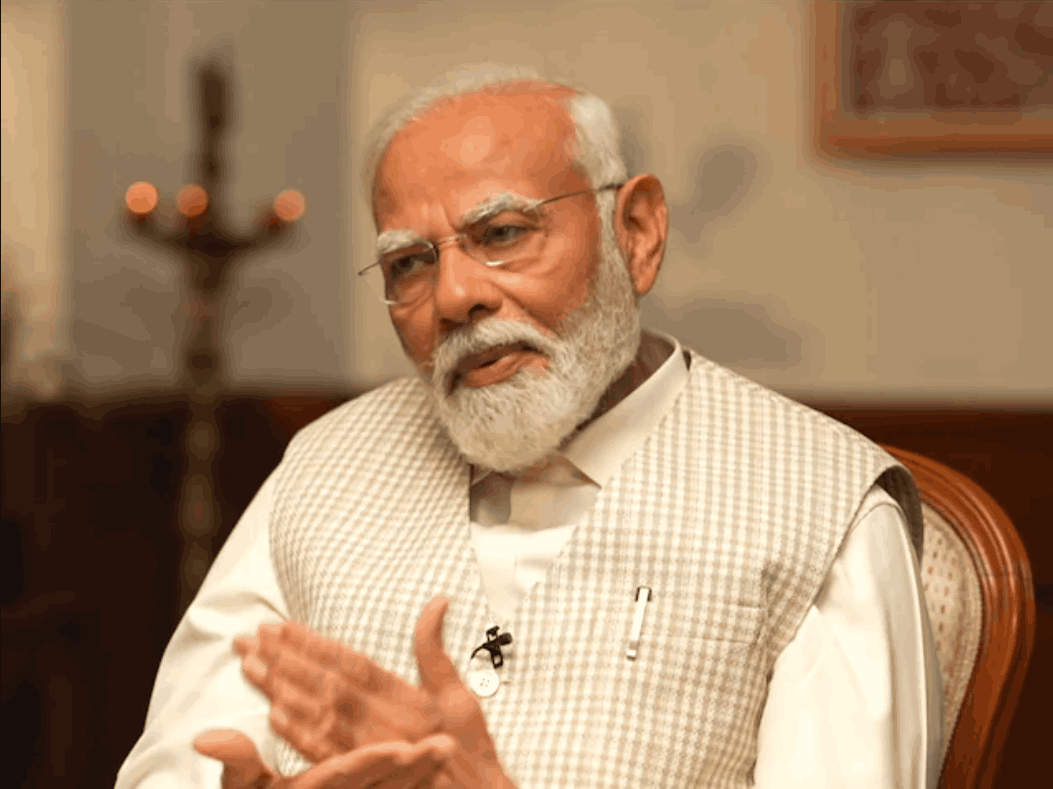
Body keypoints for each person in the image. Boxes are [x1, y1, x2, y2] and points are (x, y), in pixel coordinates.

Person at [116, 63, 943, 788]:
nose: (453, 297)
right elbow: (181, 765)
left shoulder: (817, 502)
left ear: (636, 233)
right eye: (409, 263)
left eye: (503, 233)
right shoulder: (322, 466)